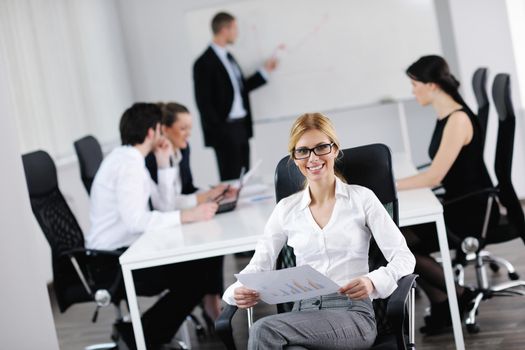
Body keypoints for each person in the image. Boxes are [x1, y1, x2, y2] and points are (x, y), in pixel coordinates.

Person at [223, 113, 415, 349]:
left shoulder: (361, 198)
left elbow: (404, 257)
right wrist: (236, 292)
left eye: (321, 147)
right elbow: (258, 266)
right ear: (294, 157)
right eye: (302, 151)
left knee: (264, 330)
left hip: (351, 315)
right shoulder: (286, 209)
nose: (312, 158)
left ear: (335, 149)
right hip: (302, 313)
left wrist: (372, 281)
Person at [86, 102, 219, 349]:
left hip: (126, 251)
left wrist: (163, 162)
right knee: (194, 277)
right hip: (112, 262)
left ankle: (139, 334)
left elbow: (164, 206)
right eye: (160, 128)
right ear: (151, 132)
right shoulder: (128, 166)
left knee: (197, 270)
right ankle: (140, 337)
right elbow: (136, 221)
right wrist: (187, 216)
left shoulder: (132, 159)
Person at [396, 55, 499, 334]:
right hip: (456, 203)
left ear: (431, 85)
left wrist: (386, 185)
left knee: (398, 240)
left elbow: (434, 177)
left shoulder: (457, 120)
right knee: (399, 238)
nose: (412, 90)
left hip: (469, 212)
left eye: (414, 84)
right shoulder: (446, 115)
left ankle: (460, 295)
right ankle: (443, 302)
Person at [145, 101, 232, 326]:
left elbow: (186, 189)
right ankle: (210, 304)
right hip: (161, 231)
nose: (188, 134)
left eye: (190, 128)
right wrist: (206, 197)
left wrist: (211, 194)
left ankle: (211, 302)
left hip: (175, 219)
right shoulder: (153, 159)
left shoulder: (181, 150)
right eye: (183, 128)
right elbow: (167, 204)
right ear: (164, 129)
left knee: (215, 237)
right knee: (207, 247)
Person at [193, 11, 278, 181]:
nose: (237, 33)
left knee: (244, 177)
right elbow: (204, 103)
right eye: (234, 28)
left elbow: (239, 88)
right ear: (225, 30)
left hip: (240, 126)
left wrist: (264, 72)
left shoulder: (229, 57)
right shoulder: (204, 62)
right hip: (224, 130)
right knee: (231, 178)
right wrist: (220, 130)